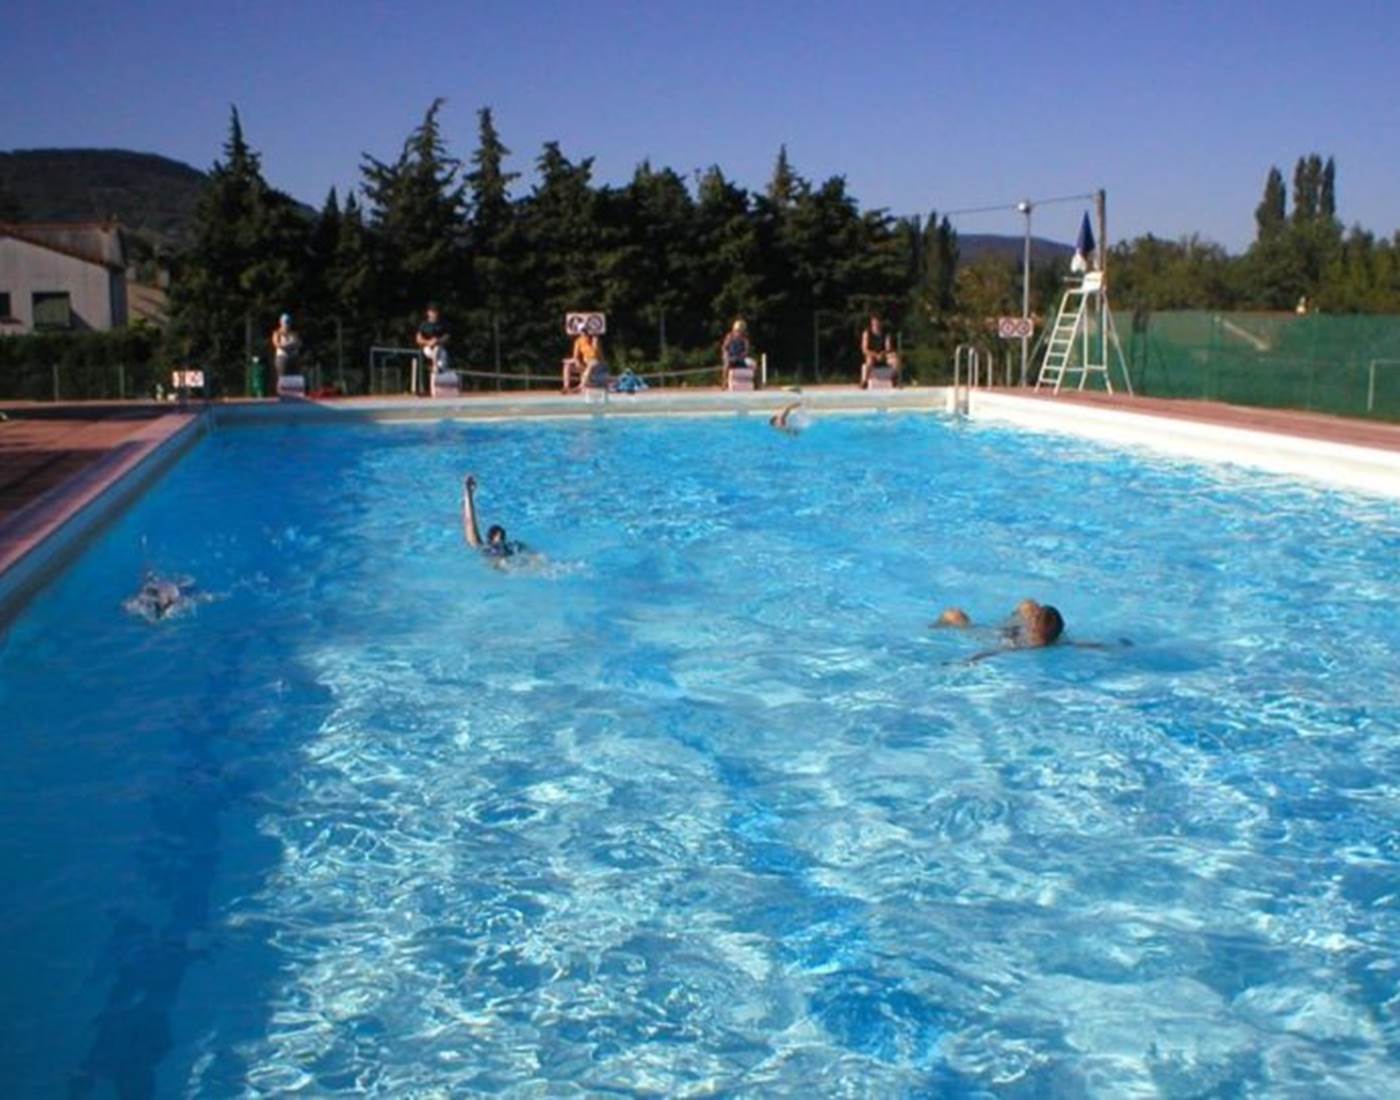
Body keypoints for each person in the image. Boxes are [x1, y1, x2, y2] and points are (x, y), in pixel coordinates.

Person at [462, 475, 526, 562]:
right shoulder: (514, 547)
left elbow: (470, 524)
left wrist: (468, 494)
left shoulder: (486, 548)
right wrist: (468, 494)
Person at [124, 571, 198, 622]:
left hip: (172, 592)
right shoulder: (150, 594)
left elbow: (161, 615)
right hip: (166, 589)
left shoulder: (170, 601)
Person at [416, 303, 451, 390]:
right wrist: (428, 342)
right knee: (434, 351)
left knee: (443, 362)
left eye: (435, 312)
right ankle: (435, 367)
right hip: (427, 349)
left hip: (440, 348)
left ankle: (440, 381)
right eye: (432, 312)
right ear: (428, 313)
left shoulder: (442, 324)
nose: (434, 314)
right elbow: (418, 339)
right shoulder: (424, 325)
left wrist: (437, 341)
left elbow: (447, 337)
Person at [861, 314, 900, 388]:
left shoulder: (886, 334)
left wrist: (882, 354)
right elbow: (864, 349)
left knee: (895, 358)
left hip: (883, 355)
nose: (876, 324)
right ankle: (865, 381)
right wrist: (875, 355)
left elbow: (888, 348)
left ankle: (894, 379)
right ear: (871, 323)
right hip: (872, 356)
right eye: (874, 323)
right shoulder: (866, 333)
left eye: (878, 322)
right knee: (869, 360)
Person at [565, 328, 607, 392]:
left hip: (595, 363)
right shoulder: (578, 341)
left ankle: (581, 386)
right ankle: (566, 387)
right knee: (567, 365)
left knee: (591, 364)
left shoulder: (594, 340)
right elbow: (575, 357)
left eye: (586, 332)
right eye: (583, 332)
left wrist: (594, 342)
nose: (585, 333)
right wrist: (576, 361)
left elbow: (595, 354)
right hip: (585, 363)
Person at [720, 319, 753, 386]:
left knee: (754, 364)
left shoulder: (745, 338)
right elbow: (724, 348)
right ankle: (724, 382)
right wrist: (726, 355)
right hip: (731, 358)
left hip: (741, 359)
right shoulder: (730, 337)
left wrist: (744, 354)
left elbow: (746, 350)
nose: (739, 332)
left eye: (741, 331)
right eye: (737, 331)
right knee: (726, 365)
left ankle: (757, 384)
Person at [271, 313, 302, 380]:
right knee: (282, 377)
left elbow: (299, 343)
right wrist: (287, 346)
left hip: (294, 358)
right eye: (285, 322)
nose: (286, 324)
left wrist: (293, 345)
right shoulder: (277, 333)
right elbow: (276, 343)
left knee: (295, 377)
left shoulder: (294, 333)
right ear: (281, 322)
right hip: (282, 358)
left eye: (288, 322)